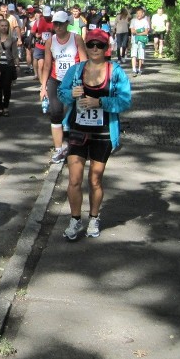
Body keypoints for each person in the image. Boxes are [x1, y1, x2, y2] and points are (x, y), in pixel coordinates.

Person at [58, 29, 131, 240]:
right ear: (86, 47)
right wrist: (71, 95)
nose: (95, 49)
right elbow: (62, 93)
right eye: (91, 45)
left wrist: (100, 102)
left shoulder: (115, 71)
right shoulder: (76, 70)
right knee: (74, 179)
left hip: (103, 132)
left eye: (100, 45)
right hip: (78, 130)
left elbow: (125, 101)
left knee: (95, 179)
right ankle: (74, 220)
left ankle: (93, 218)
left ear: (106, 48)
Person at [40, 10, 88, 163]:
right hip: (56, 80)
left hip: (74, 82)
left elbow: (84, 61)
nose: (58, 27)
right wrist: (43, 86)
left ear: (67, 24)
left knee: (76, 114)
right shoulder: (50, 41)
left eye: (60, 23)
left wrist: (85, 82)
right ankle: (59, 149)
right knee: (55, 113)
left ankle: (76, 147)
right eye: (55, 23)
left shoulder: (76, 39)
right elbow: (47, 65)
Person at [0, 18, 19, 116]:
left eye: (6, 26)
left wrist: (17, 65)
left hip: (9, 65)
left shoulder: (12, 39)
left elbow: (15, 53)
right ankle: (0, 107)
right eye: (2, 25)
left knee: (7, 87)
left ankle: (6, 107)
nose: (4, 27)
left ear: (8, 27)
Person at [31, 6, 54, 81]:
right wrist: (36, 35)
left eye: (48, 15)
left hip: (51, 47)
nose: (46, 17)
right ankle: (42, 84)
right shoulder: (38, 21)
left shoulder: (54, 21)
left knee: (48, 66)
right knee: (40, 66)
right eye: (45, 15)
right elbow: (33, 31)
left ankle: (47, 81)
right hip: (40, 46)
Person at [130, 7, 150, 76]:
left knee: (141, 55)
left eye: (140, 13)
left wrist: (137, 32)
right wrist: (141, 30)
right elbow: (132, 31)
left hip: (141, 41)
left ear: (143, 14)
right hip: (134, 40)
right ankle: (134, 70)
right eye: (137, 13)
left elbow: (146, 32)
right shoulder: (133, 21)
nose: (138, 15)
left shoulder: (145, 21)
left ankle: (139, 69)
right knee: (134, 55)